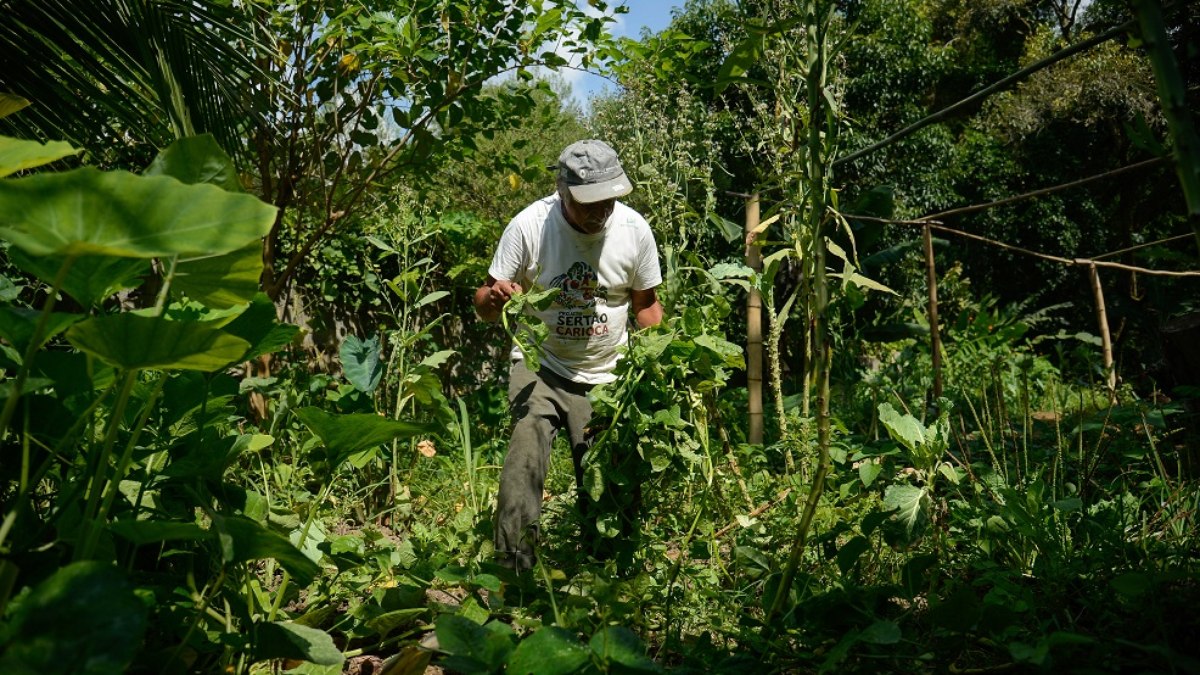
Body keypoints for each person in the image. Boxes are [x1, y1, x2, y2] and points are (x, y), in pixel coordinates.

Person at [473, 139, 663, 571]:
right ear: (562, 191)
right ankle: (513, 569)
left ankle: (608, 573)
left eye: (609, 200)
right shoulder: (527, 227)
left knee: (607, 479)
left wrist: (662, 365)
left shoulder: (634, 231)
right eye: (589, 203)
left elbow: (646, 305)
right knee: (524, 458)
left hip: (608, 372)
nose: (601, 212)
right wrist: (496, 299)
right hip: (541, 364)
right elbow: (483, 303)